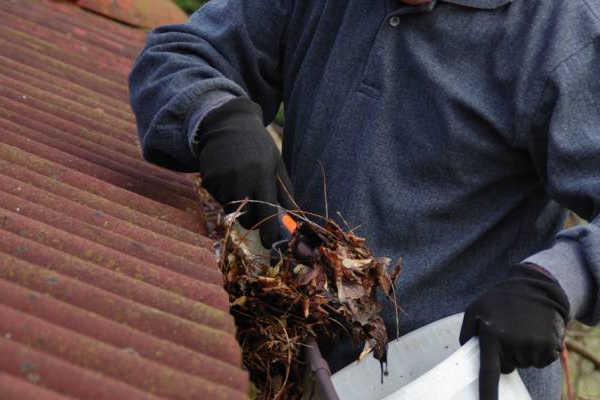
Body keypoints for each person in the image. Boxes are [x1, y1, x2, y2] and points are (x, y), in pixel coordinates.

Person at [128, 1, 600, 398]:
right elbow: (178, 55)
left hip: (457, 378)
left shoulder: (567, 32)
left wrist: (556, 283)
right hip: (298, 364)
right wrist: (215, 114)